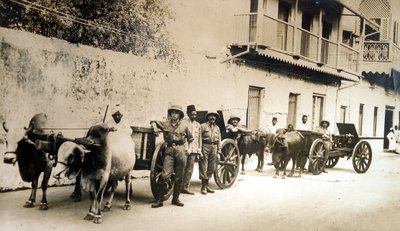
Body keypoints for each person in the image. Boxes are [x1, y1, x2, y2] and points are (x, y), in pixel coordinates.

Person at [150, 104, 193, 208]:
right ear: (170, 114)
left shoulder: (184, 126)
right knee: (165, 175)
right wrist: (155, 127)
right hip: (169, 151)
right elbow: (153, 121)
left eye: (176, 113)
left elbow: (191, 139)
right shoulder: (165, 124)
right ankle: (160, 200)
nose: (174, 115)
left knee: (179, 177)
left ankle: (175, 199)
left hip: (181, 151)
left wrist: (189, 149)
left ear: (180, 115)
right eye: (172, 112)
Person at [181, 105, 202, 195]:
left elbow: (199, 139)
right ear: (188, 114)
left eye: (195, 114)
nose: (194, 116)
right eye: (192, 114)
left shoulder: (198, 125)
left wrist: (199, 150)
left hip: (193, 150)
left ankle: (185, 187)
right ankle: (178, 187)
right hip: (184, 149)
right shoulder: (183, 123)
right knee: (181, 168)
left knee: (190, 169)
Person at [200, 110, 221, 195]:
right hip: (205, 146)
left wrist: (219, 151)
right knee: (204, 166)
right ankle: (203, 186)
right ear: (208, 117)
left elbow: (219, 139)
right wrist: (200, 150)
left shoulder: (217, 128)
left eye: (214, 116)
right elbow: (199, 139)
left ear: (216, 118)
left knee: (212, 167)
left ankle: (207, 185)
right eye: (211, 116)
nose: (213, 117)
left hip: (214, 147)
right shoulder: (203, 126)